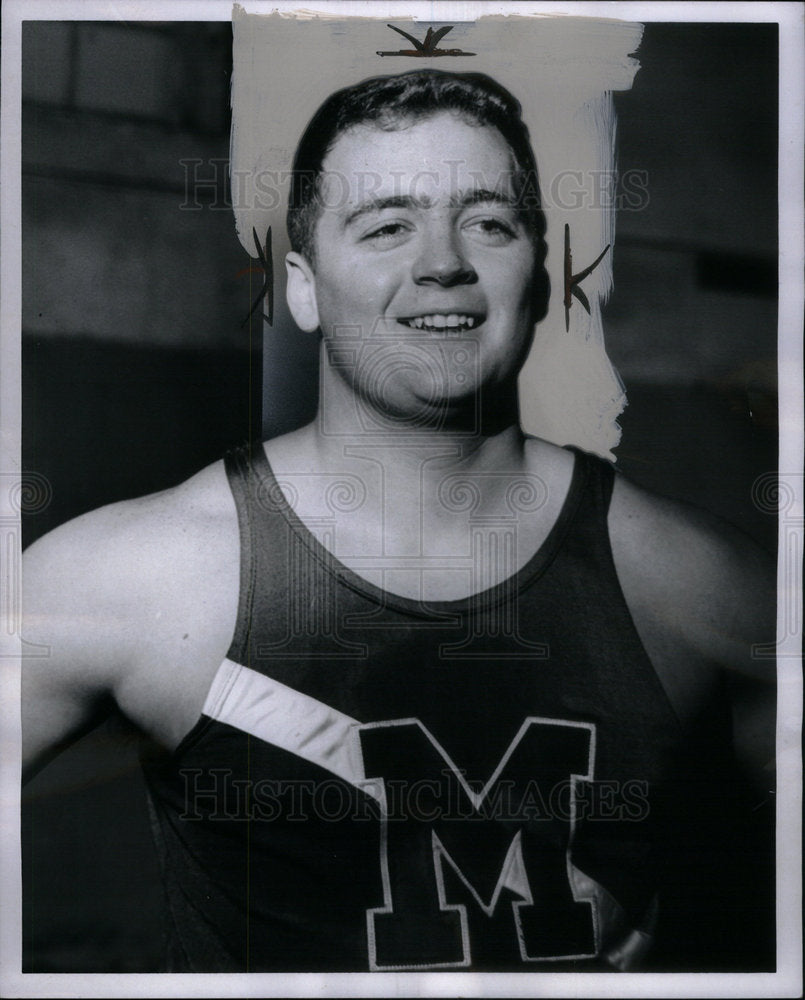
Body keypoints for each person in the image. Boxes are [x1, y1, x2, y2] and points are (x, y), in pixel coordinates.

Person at [22, 69, 775, 973]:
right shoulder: (127, 577)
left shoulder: (707, 589)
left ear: (541, 274)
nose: (441, 262)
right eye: (385, 226)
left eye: (487, 222)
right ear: (300, 288)